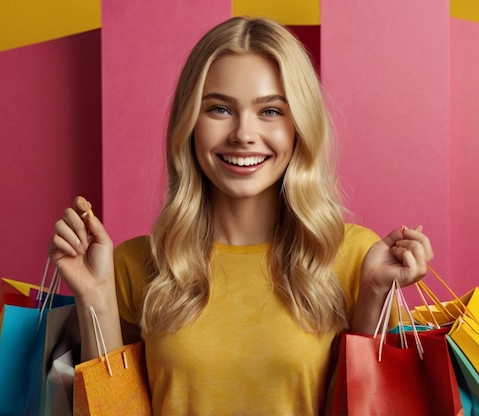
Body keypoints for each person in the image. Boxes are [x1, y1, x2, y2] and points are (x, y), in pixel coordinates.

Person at [49, 16, 433, 415]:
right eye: (219, 109)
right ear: (189, 124)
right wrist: (95, 298)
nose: (243, 134)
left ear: (299, 125)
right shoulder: (134, 266)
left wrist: (373, 297)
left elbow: (363, 408)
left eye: (269, 111)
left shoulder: (354, 257)